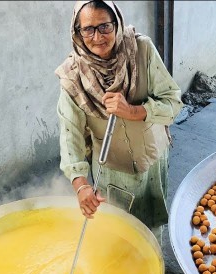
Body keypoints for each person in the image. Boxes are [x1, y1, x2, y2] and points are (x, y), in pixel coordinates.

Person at [55, 0, 183, 242]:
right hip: (112, 172)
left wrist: (133, 111)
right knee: (116, 233)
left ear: (117, 23)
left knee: (153, 225)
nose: (97, 37)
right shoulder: (73, 76)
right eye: (88, 29)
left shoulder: (141, 49)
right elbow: (69, 136)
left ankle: (153, 266)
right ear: (77, 32)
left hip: (153, 159)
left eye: (105, 26)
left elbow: (173, 103)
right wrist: (81, 186)